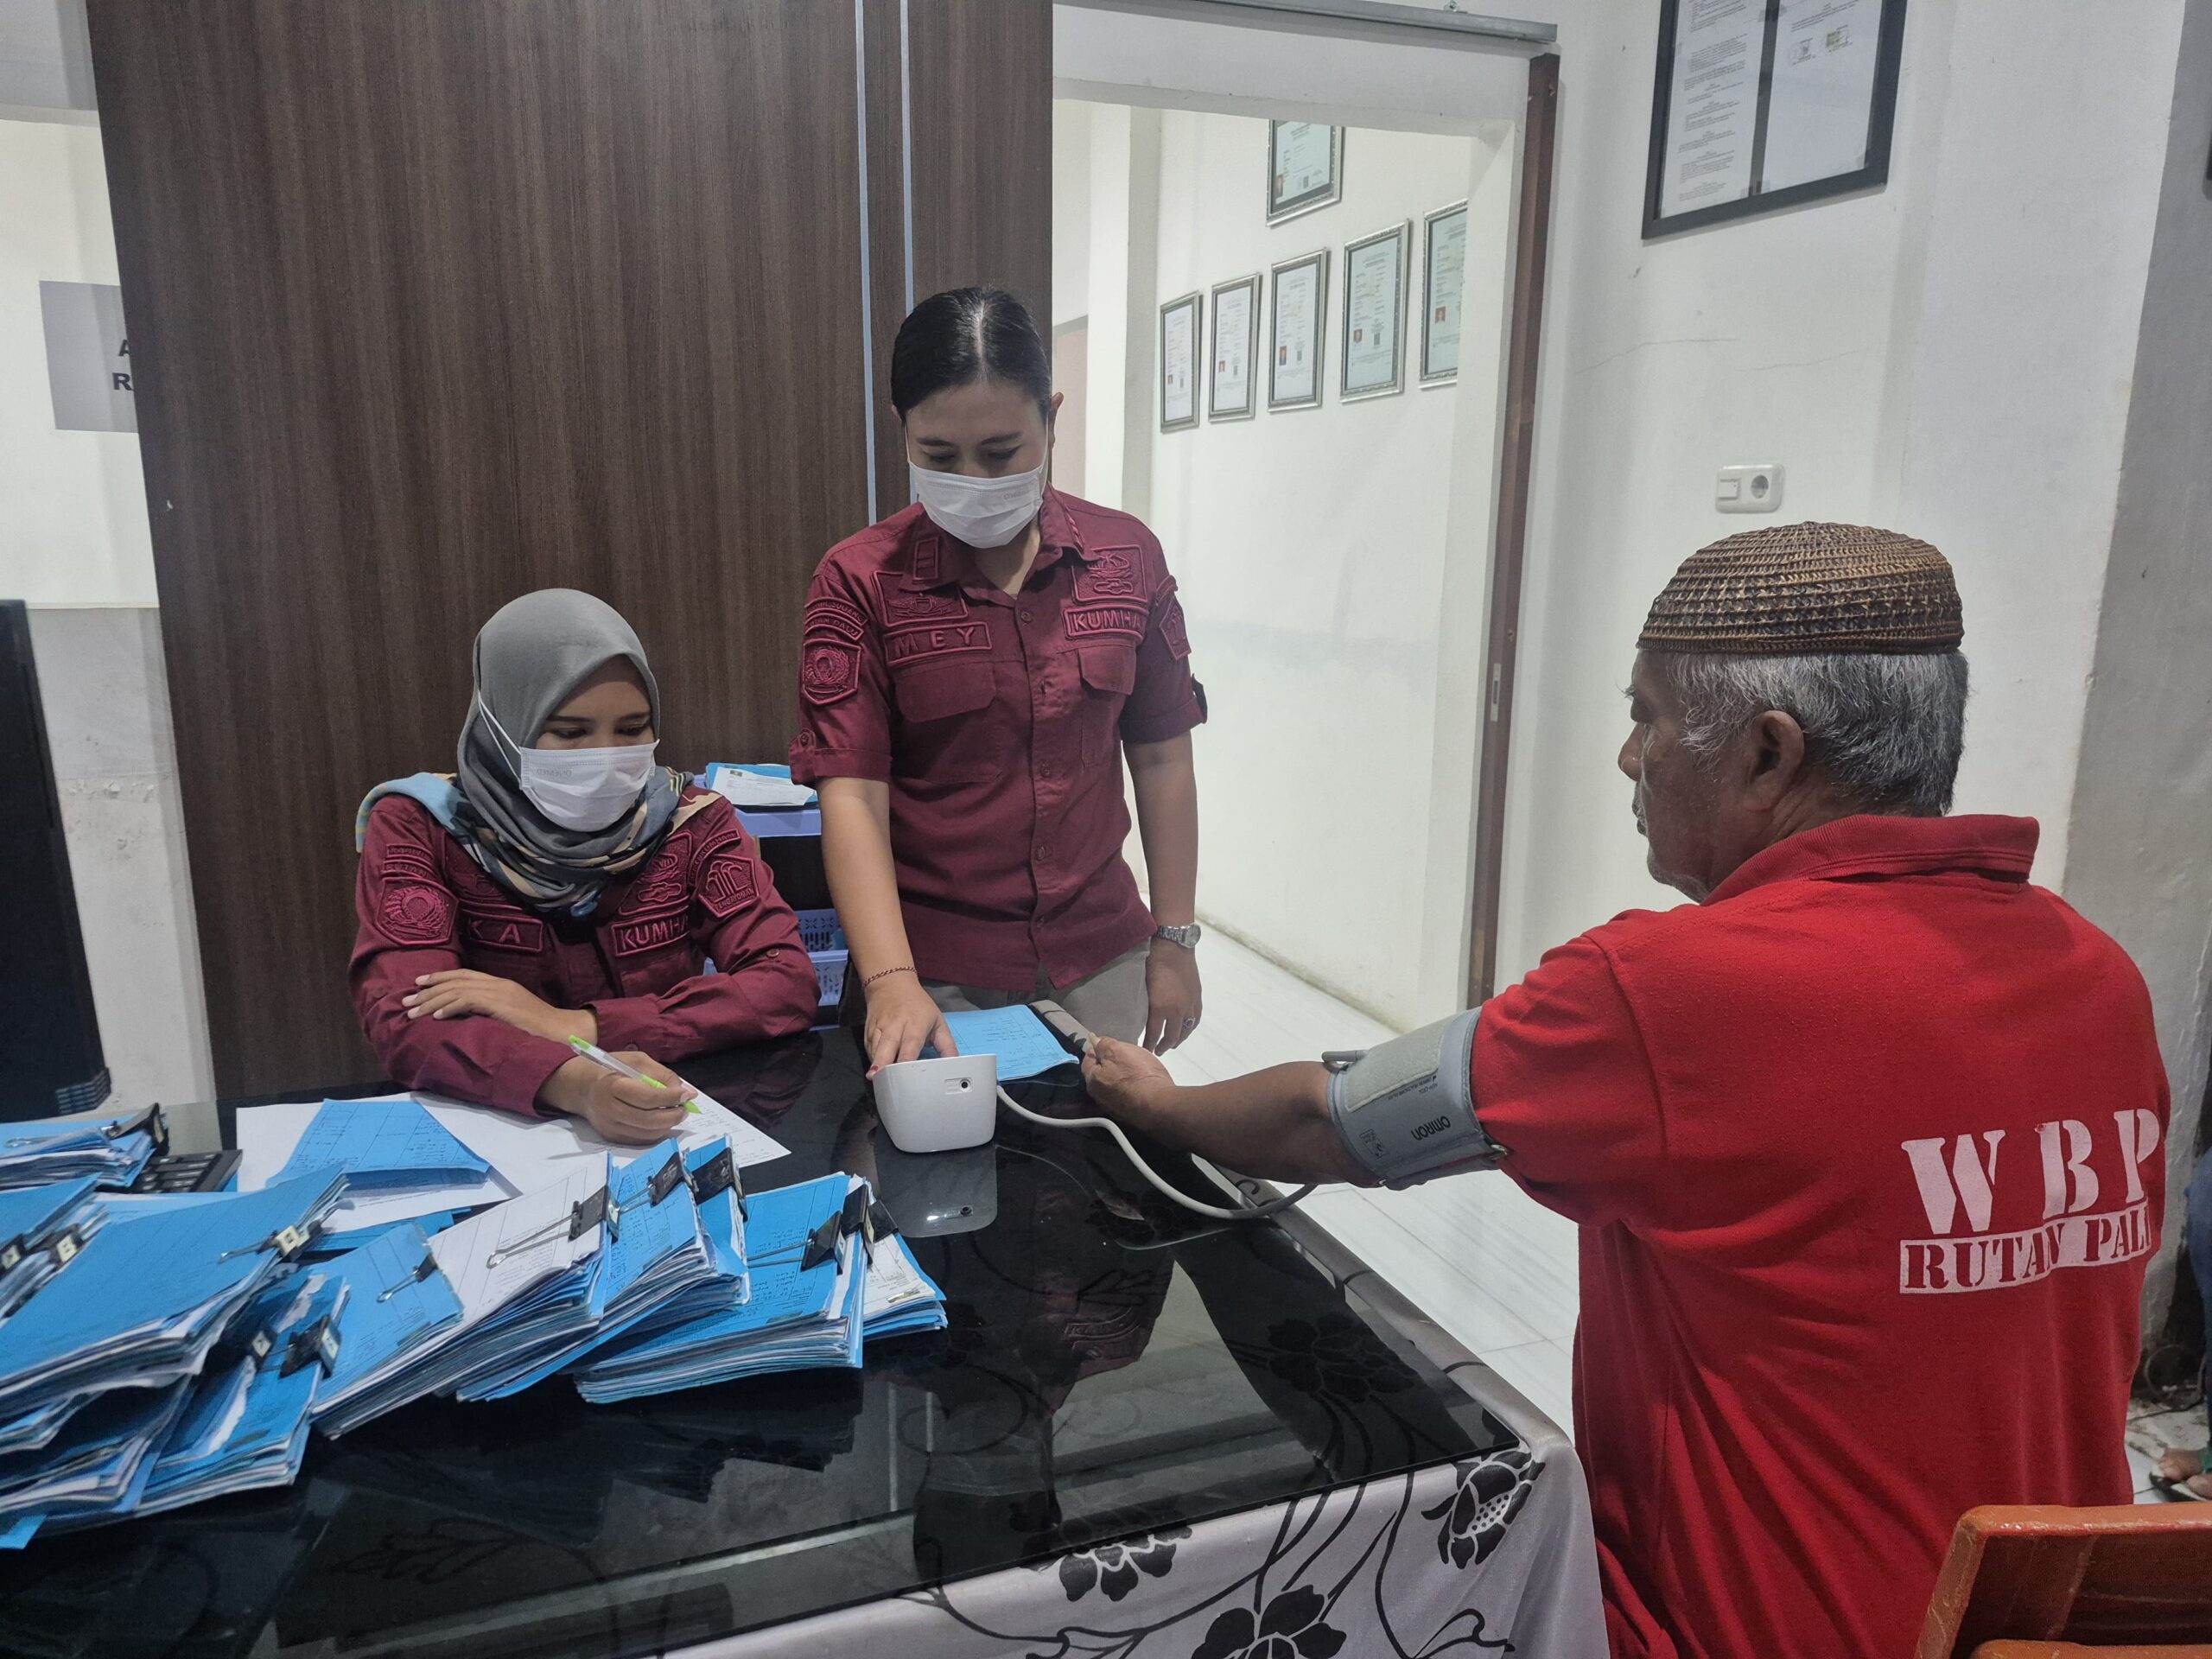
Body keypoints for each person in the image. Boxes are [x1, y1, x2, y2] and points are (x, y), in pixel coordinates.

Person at [1079, 523, 2170, 1659]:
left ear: (1767, 755)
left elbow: (1335, 1119)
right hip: (2052, 1637)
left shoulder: (1673, 991)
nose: (1627, 756)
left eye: (1648, 716)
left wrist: (1157, 1104)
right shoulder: (2096, 975)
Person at [789, 285, 1208, 1070]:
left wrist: (1175, 937)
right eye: (939, 456)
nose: (973, 479)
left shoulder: (1126, 558)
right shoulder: (859, 580)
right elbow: (852, 796)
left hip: (1101, 957)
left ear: (1051, 418)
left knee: (1107, 1141)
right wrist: (889, 980)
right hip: (933, 971)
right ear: (902, 429)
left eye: (1002, 451)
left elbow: (1161, 756)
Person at [351, 588, 819, 1143]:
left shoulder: (692, 821)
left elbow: (785, 983)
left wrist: (579, 1026)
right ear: (503, 727)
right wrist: (574, 1082)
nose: (605, 757)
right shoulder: (422, 825)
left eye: (632, 729)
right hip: (497, 1132)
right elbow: (407, 1019)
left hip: (665, 1118)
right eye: (570, 733)